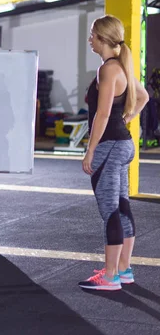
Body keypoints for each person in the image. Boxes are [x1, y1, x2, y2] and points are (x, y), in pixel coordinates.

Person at [79, 15, 149, 291]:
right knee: (121, 208)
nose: (90, 40)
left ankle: (110, 277)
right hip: (123, 145)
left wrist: (90, 149)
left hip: (109, 147)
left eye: (93, 35)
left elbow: (103, 113)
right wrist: (127, 120)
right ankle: (123, 269)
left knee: (110, 212)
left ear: (103, 39)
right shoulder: (121, 67)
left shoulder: (108, 70)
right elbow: (144, 97)